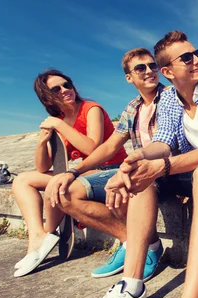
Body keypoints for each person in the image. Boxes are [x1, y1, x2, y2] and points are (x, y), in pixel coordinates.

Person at [87, 30, 198, 298]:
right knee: (144, 178)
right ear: (168, 71)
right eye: (187, 58)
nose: (197, 61)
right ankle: (132, 287)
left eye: (197, 54)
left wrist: (164, 166)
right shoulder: (168, 100)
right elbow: (164, 142)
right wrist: (137, 158)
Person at [47, 48, 168, 280]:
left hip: (165, 169)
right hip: (136, 168)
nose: (149, 71)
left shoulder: (172, 98)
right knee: (66, 193)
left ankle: (150, 248)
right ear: (129, 77)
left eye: (152, 66)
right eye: (140, 68)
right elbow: (109, 147)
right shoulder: (133, 108)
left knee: (125, 183)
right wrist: (73, 172)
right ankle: (131, 242)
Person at [12, 69, 127, 277]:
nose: (65, 90)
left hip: (108, 168)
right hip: (82, 171)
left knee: (57, 182)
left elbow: (94, 148)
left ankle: (47, 235)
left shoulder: (91, 109)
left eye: (67, 85)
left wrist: (58, 125)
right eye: (56, 89)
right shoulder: (59, 119)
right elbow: (42, 166)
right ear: (47, 97)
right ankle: (38, 236)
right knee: (22, 180)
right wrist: (42, 141)